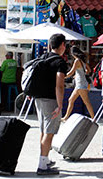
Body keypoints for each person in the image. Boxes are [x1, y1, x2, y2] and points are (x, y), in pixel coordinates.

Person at [35, 34, 67, 175]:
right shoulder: (59, 62)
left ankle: (45, 159)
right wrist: (60, 105)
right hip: (51, 100)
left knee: (43, 130)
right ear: (62, 45)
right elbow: (59, 85)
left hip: (39, 99)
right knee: (49, 133)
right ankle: (42, 166)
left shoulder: (42, 58)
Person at [61, 46, 94, 121]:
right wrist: (79, 74)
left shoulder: (77, 61)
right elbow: (88, 70)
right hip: (81, 84)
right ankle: (66, 117)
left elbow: (71, 72)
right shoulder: (82, 61)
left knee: (86, 102)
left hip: (80, 84)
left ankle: (93, 118)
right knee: (71, 100)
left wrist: (63, 76)